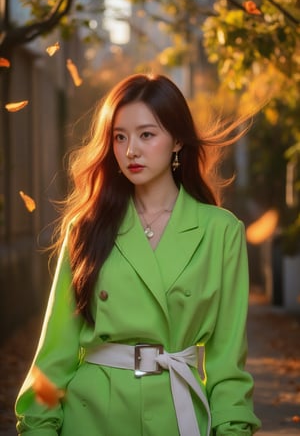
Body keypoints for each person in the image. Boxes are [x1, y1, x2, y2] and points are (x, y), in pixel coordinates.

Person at [15, 73, 261, 436]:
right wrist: (38, 427)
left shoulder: (221, 231)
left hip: (177, 416)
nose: (131, 150)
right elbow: (55, 352)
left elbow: (228, 362)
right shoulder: (86, 228)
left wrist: (232, 428)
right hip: (91, 416)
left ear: (177, 140)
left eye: (147, 134)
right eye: (120, 137)